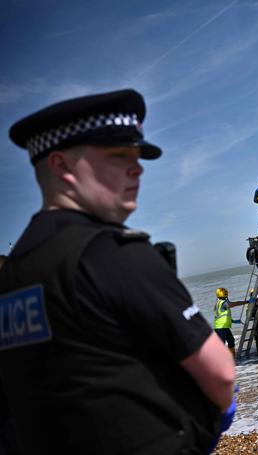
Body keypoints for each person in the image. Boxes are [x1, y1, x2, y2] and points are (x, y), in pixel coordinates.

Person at [0, 89, 236, 454]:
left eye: (137, 156)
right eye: (118, 155)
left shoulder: (13, 273)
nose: (137, 167)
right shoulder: (113, 254)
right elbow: (220, 374)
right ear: (61, 166)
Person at [214, 287, 244, 357]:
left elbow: (221, 316)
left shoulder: (218, 303)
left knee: (231, 341)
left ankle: (232, 358)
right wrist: (247, 301)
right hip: (221, 328)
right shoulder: (223, 303)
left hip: (223, 327)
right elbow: (236, 304)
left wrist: (233, 321)